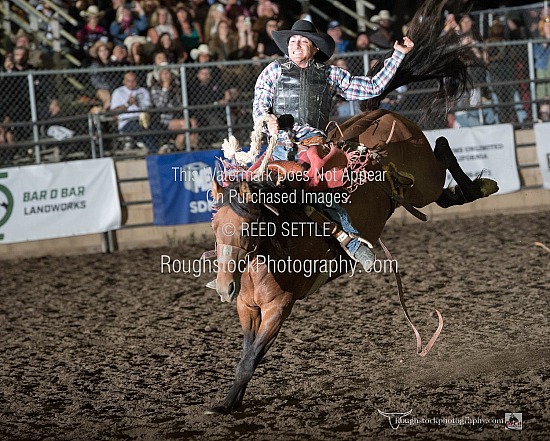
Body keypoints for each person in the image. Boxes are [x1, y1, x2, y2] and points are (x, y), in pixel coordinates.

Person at [251, 19, 414, 270]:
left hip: (312, 146)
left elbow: (372, 87)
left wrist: (398, 55)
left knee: (320, 190)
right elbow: (259, 107)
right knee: (246, 195)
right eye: (293, 41)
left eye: (302, 41)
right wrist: (267, 121)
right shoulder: (273, 70)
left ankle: (352, 243)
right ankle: (231, 257)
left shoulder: (331, 74)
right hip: (279, 146)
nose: (296, 45)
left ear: (314, 47)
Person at [110, 71, 156, 151]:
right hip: (127, 121)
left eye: (133, 81)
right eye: (128, 81)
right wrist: (128, 104)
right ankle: (156, 150)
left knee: (155, 128)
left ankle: (155, 148)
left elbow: (149, 108)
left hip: (143, 119)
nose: (131, 83)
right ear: (124, 81)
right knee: (140, 129)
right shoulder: (118, 92)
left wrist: (138, 104)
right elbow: (114, 111)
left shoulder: (143, 91)